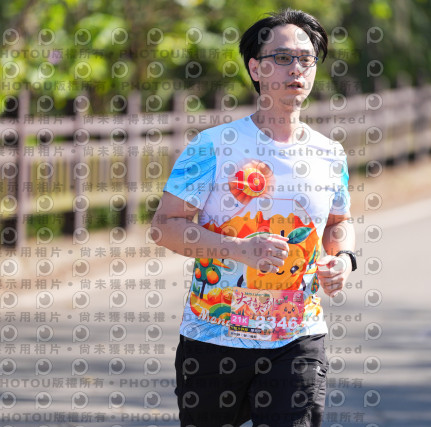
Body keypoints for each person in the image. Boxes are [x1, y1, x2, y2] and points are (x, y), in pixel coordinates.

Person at [150, 8, 356, 427]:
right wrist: (237, 249)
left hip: (297, 337)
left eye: (306, 59)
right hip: (213, 336)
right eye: (282, 58)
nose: (296, 68)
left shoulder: (330, 154)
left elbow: (339, 223)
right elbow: (164, 226)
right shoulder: (213, 146)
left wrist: (343, 260)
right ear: (256, 68)